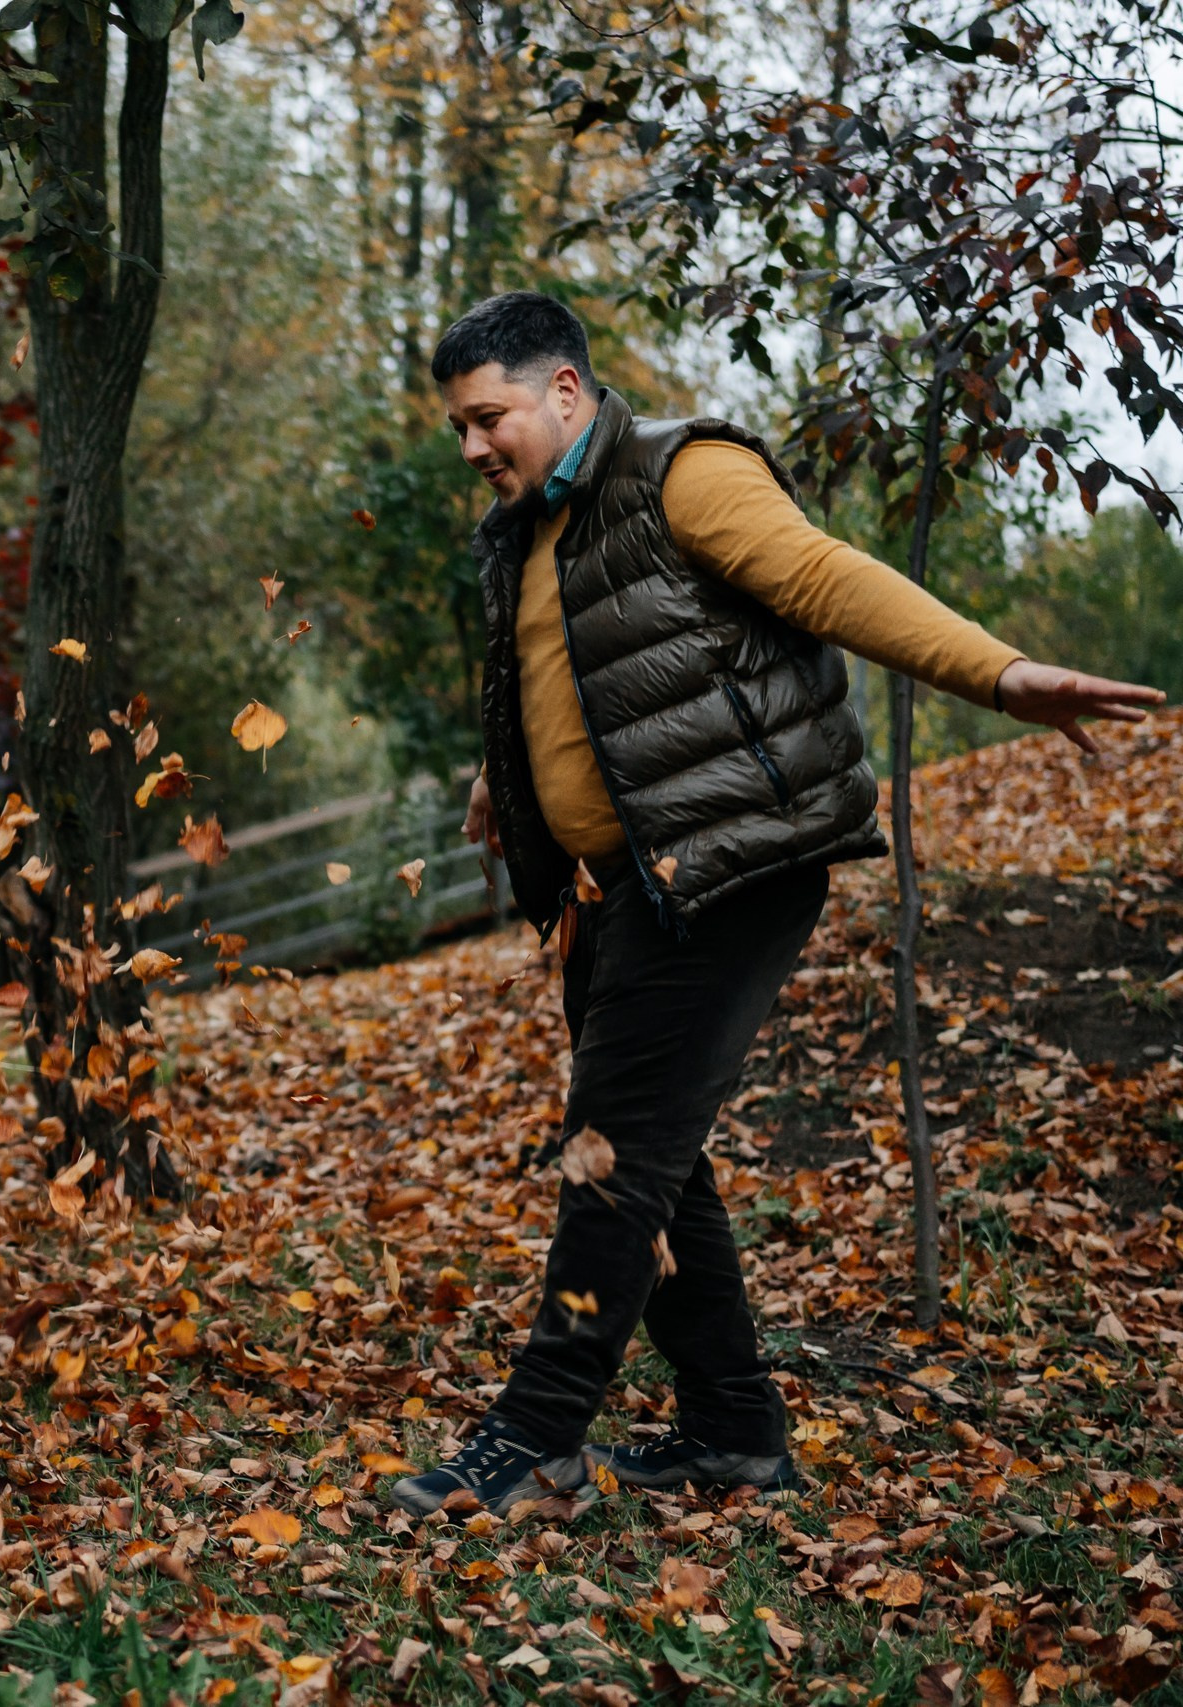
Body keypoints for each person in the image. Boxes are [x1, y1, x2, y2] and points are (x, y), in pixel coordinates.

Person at [390, 290, 1164, 1517]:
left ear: (567, 394)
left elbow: (823, 578)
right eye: (461, 429)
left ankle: (536, 1438)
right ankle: (733, 1433)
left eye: (489, 417)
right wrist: (513, 782)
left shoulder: (676, 474)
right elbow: (579, 674)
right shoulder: (536, 526)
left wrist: (999, 674)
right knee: (655, 1157)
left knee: (609, 1158)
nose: (476, 445)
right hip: (621, 886)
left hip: (726, 867)